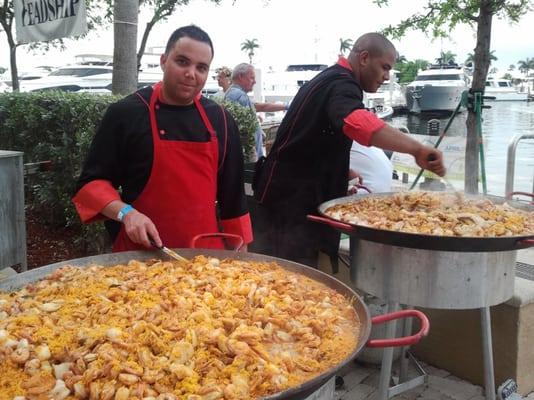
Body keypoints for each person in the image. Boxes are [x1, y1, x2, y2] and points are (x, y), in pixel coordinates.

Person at [252, 32, 446, 267]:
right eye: (384, 67)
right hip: (288, 207)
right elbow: (356, 121)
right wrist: (417, 149)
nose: (386, 76)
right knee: (289, 280)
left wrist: (341, 172)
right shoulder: (342, 84)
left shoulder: (328, 79)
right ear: (364, 58)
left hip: (282, 198)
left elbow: (305, 140)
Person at [72, 25, 252, 252]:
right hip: (138, 257)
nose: (191, 74)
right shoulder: (126, 113)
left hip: (207, 261)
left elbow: (234, 200)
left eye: (201, 68)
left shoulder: (221, 120)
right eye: (182, 62)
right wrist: (127, 213)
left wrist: (243, 264)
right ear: (164, 60)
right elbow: (91, 184)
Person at [225, 63, 288, 159]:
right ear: (241, 76)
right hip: (250, 157)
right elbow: (246, 131)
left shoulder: (232, 93)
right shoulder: (239, 95)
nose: (254, 82)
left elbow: (261, 107)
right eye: (252, 78)